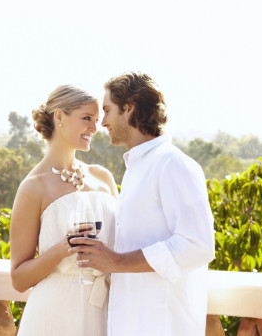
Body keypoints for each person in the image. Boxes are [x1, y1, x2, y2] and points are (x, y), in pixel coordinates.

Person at [70, 72, 216, 335]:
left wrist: (116, 262)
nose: (102, 122)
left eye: (107, 111)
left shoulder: (172, 164)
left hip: (163, 326)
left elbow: (198, 245)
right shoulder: (137, 168)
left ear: (129, 109)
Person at [10, 85, 119, 336]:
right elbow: (19, 279)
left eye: (96, 120)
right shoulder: (32, 188)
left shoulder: (104, 177)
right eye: (86, 119)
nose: (94, 128)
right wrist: (62, 249)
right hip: (54, 316)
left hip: (105, 311)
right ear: (59, 117)